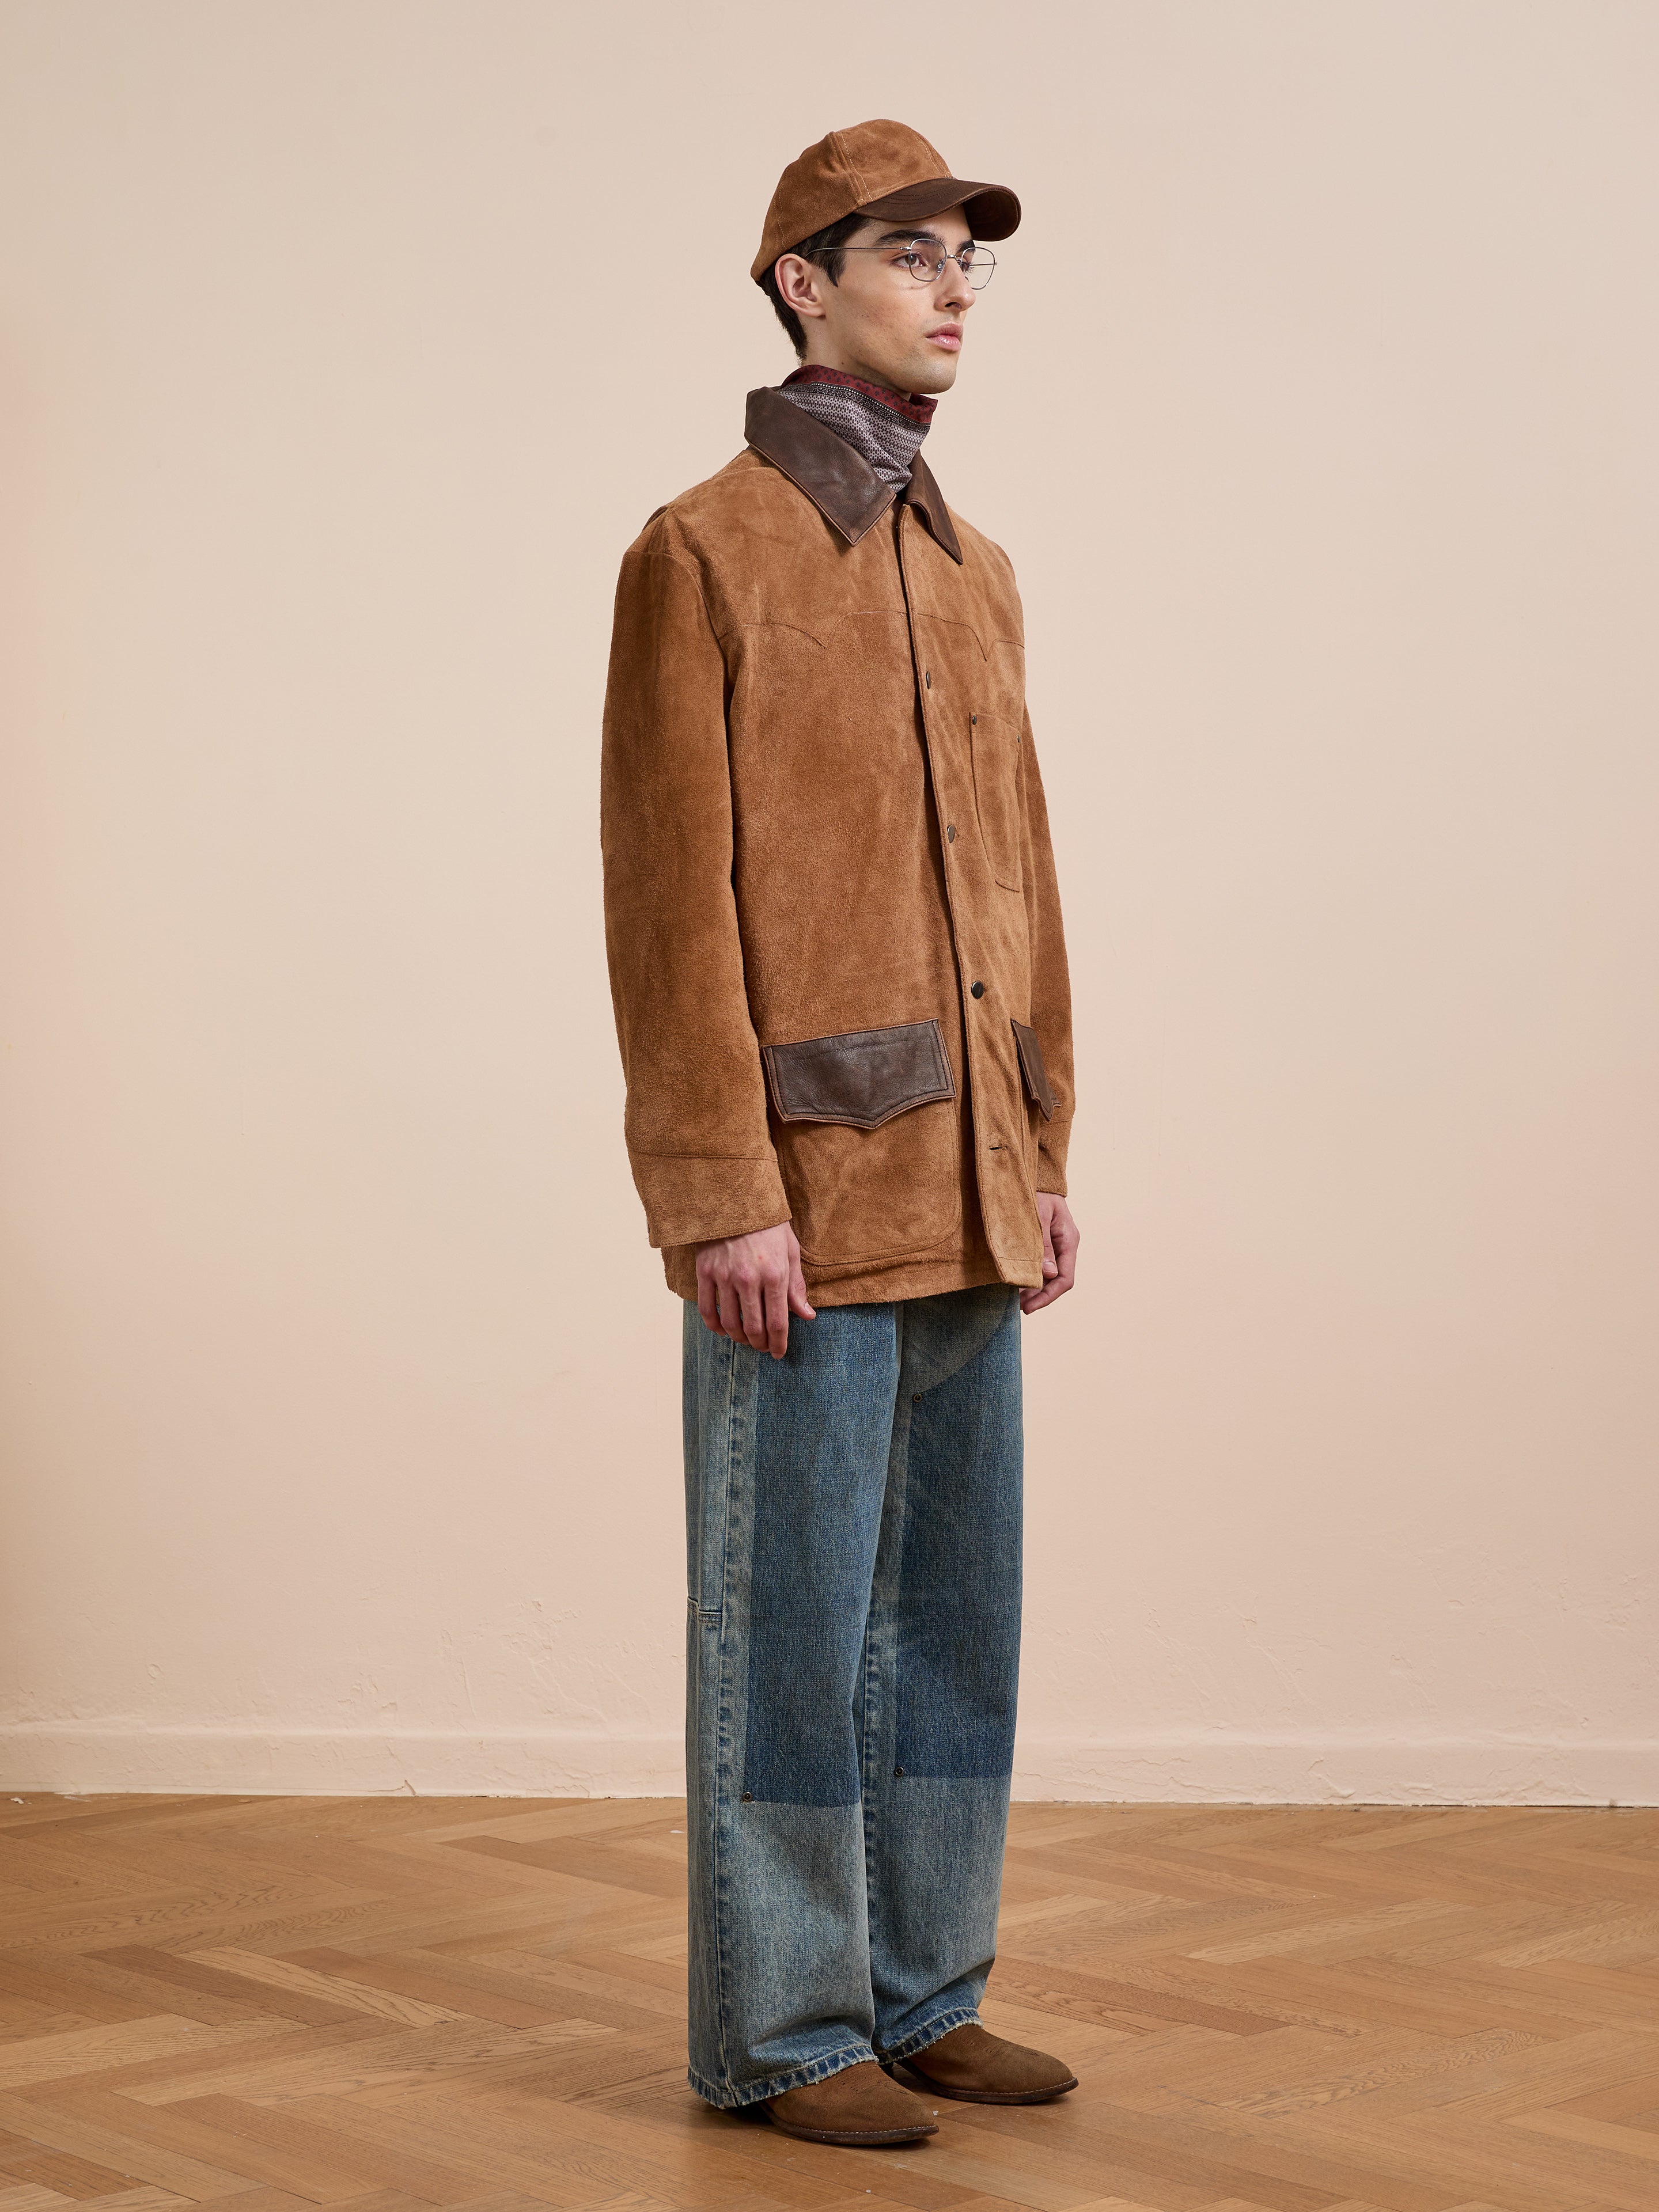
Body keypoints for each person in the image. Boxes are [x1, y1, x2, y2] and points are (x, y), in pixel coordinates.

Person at [599, 119, 1080, 2151]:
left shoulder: (974, 570)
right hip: (801, 1197)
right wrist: (719, 1193)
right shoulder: (701, 549)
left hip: (970, 1181)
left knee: (953, 1614)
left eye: (970, 258)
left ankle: (923, 1986)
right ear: (803, 280)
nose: (954, 284)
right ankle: (789, 2026)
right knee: (787, 1622)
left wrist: (1046, 1141)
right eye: (910, 253)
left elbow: (1025, 878)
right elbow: (665, 898)